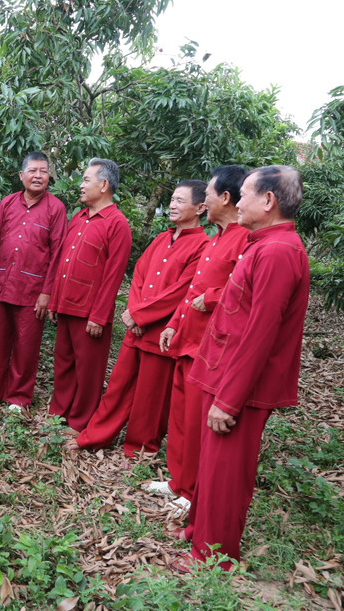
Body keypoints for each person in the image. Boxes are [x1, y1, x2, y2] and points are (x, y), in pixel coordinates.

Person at [174, 166, 310, 572]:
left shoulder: (278, 252)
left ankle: (213, 556)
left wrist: (229, 400)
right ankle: (199, 530)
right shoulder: (261, 243)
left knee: (227, 472)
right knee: (211, 465)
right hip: (222, 371)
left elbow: (260, 335)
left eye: (247, 194)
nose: (239, 200)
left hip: (240, 385)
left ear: (269, 201)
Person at [70, 181, 210, 455]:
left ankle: (140, 449)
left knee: (150, 396)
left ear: (200, 207)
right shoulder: (161, 239)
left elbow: (181, 292)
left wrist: (139, 314)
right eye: (171, 199)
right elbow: (139, 275)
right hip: (136, 329)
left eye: (180, 201)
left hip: (161, 333)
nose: (172, 204)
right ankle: (94, 437)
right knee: (117, 388)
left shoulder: (202, 246)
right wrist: (133, 311)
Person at [146, 166, 249, 512]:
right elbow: (194, 289)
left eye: (207, 193)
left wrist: (212, 299)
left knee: (196, 423)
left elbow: (242, 292)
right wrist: (174, 324)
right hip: (187, 340)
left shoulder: (244, 238)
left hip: (212, 348)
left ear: (224, 197)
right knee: (180, 418)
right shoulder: (216, 236)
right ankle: (179, 481)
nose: (203, 199)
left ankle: (193, 492)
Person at [0, 152, 67, 412]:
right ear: (21, 175)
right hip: (2, 284)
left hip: (33, 292)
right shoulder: (7, 203)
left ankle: (19, 398)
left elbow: (58, 254)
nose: (38, 176)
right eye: (33, 171)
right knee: (1, 342)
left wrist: (47, 293)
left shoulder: (56, 208)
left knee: (26, 346)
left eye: (43, 171)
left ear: (49, 177)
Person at [47, 158, 132, 430]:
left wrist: (99, 316)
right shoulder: (79, 217)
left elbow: (113, 276)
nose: (80, 186)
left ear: (104, 185)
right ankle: (58, 412)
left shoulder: (117, 224)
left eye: (86, 180)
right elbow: (63, 262)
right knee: (63, 363)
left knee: (89, 371)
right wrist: (54, 299)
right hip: (66, 305)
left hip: (90, 312)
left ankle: (80, 421)